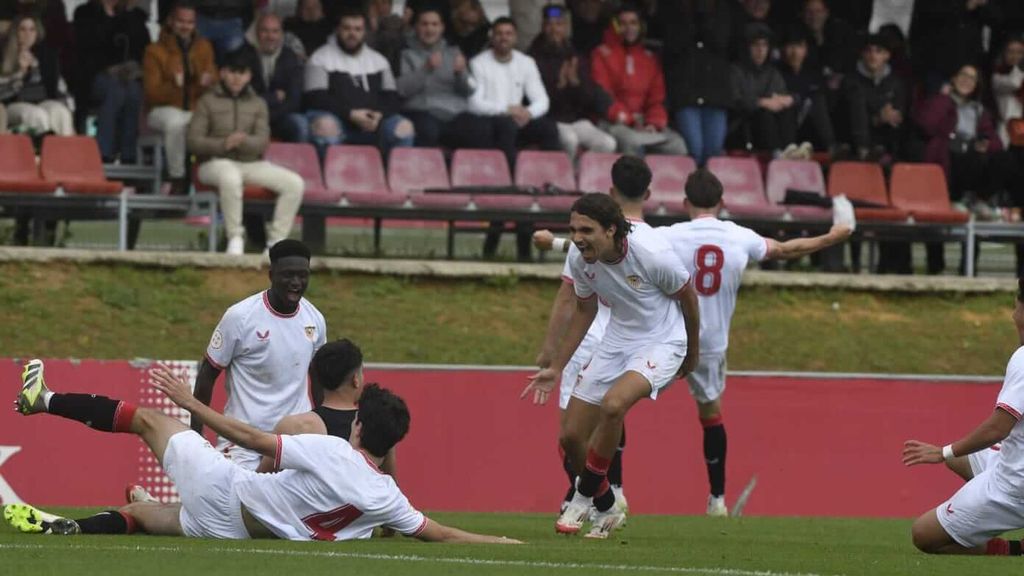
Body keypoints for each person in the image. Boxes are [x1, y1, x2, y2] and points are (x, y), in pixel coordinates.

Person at [4, 359, 519, 544]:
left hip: (227, 492)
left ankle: (42, 398)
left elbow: (251, 439)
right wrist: (498, 541)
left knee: (147, 420)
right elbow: (439, 533)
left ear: (357, 424)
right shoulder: (390, 499)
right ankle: (70, 529)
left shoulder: (333, 451)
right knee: (139, 512)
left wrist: (189, 404)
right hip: (230, 531)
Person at [523, 158, 701, 539]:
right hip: (617, 339)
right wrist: (555, 366)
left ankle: (582, 495)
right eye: (572, 229)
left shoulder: (650, 252)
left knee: (614, 405)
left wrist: (693, 352)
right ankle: (607, 507)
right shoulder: (579, 255)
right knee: (571, 437)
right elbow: (585, 310)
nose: (577, 237)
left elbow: (688, 296)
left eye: (586, 230)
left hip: (663, 339)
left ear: (612, 230)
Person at [659, 168, 852, 515]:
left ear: (684, 202)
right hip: (710, 344)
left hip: (666, 338)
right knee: (710, 414)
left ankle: (612, 490)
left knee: (619, 402)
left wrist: (560, 243)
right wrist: (831, 237)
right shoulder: (738, 236)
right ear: (722, 202)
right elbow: (785, 249)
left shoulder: (668, 236)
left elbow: (623, 245)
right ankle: (717, 499)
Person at [902, 278, 1024, 556]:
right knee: (959, 458)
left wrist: (941, 452)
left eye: (1016, 307)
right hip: (1011, 460)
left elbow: (997, 429)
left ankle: (1013, 548)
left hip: (1016, 484)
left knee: (924, 534)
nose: (1013, 315)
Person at [188, 240, 326, 470]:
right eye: (288, 275)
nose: (296, 283)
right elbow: (206, 376)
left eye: (303, 275)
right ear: (271, 275)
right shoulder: (240, 317)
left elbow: (319, 382)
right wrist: (195, 437)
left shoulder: (315, 319)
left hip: (294, 442)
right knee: (226, 505)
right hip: (243, 441)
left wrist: (324, 430)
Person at [188, 52, 304, 255]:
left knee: (294, 183)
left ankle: (276, 242)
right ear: (223, 73)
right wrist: (223, 144)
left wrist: (242, 141)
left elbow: (262, 141)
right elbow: (193, 142)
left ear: (249, 76)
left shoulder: (258, 103)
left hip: (251, 163)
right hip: (213, 163)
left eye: (241, 73)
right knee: (230, 176)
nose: (236, 78)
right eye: (232, 72)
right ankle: (235, 238)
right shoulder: (207, 101)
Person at [468, 16, 559, 261]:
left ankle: (549, 185)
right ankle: (510, 185)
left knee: (549, 130)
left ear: (515, 37)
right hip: (492, 124)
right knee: (506, 127)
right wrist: (507, 109)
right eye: (499, 33)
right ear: (492, 37)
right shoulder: (478, 63)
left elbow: (542, 100)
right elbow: (475, 103)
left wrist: (527, 113)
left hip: (519, 121)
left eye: (508, 33)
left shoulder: (526, 62)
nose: (503, 38)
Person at [254, 339, 396, 478]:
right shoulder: (376, 423)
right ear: (355, 379)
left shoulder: (293, 427)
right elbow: (390, 486)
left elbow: (259, 483)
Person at [303, 7, 414, 158]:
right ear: (337, 30)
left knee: (404, 127)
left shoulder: (378, 60)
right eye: (347, 28)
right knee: (325, 126)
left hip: (374, 122)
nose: (352, 34)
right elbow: (315, 98)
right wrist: (350, 114)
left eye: (358, 29)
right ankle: (334, 177)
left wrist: (379, 115)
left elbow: (392, 98)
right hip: (338, 120)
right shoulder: (320, 57)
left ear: (365, 32)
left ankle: (392, 179)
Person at [591, 5, 687, 157]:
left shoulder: (650, 58)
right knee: (632, 142)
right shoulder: (601, 54)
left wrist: (653, 122)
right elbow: (602, 95)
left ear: (641, 26)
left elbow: (657, 97)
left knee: (677, 145)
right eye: (623, 23)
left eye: (633, 23)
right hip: (614, 122)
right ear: (615, 26)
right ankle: (634, 181)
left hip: (644, 122)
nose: (629, 28)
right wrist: (628, 119)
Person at [144, 2, 218, 193]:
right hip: (161, 110)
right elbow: (151, 94)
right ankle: (177, 177)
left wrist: (209, 82)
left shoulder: (204, 47)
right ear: (170, 21)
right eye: (180, 21)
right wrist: (174, 86)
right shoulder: (154, 50)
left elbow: (215, 80)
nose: (185, 26)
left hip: (194, 108)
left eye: (190, 22)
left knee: (215, 121)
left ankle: (208, 179)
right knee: (176, 123)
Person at [527, 3, 615, 160]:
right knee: (570, 140)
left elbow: (588, 98)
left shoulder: (576, 56)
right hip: (550, 120)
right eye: (549, 24)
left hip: (576, 119)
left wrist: (576, 84)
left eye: (559, 24)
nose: (554, 29)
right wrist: (558, 85)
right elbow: (534, 101)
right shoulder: (532, 57)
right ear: (542, 26)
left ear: (566, 27)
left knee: (607, 143)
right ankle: (565, 182)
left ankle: (581, 177)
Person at [72, 0, 150, 163]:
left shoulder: (133, 16)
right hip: (93, 76)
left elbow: (144, 48)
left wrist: (134, 67)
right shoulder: (85, 13)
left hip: (128, 77)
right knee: (115, 89)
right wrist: (108, 68)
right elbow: (84, 50)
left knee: (134, 91)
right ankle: (103, 154)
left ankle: (128, 155)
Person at [660, 0, 733, 167]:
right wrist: (690, 17)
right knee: (694, 150)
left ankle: (709, 191)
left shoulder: (723, 10)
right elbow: (673, 48)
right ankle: (691, 190)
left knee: (713, 152)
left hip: (716, 95)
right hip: (687, 95)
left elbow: (723, 42)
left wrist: (704, 16)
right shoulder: (675, 12)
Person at [396, 6, 479, 149]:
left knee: (478, 129)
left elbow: (470, 90)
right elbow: (401, 89)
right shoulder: (406, 54)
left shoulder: (454, 52)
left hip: (454, 113)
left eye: (434, 24)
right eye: (424, 24)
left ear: (442, 28)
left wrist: (461, 74)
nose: (429, 30)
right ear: (416, 27)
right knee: (428, 130)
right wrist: (426, 69)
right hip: (422, 111)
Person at [729, 23, 800, 156]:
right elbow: (735, 101)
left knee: (787, 111)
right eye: (755, 45)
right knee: (764, 114)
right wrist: (762, 102)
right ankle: (777, 153)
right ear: (746, 47)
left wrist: (789, 99)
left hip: (772, 125)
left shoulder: (772, 72)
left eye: (764, 45)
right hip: (743, 126)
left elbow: (781, 95)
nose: (760, 50)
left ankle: (790, 151)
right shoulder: (735, 70)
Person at [238, 13, 307, 143]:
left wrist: (266, 116)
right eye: (265, 31)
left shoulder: (291, 58)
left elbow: (294, 102)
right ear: (257, 33)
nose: (270, 36)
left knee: (300, 125)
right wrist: (274, 97)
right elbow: (242, 97)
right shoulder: (243, 56)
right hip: (248, 117)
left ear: (282, 34)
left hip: (280, 117)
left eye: (275, 31)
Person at [837, 34, 907, 162]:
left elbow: (897, 115)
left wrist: (884, 117)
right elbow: (846, 118)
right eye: (868, 51)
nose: (873, 56)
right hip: (852, 143)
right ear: (862, 54)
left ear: (887, 55)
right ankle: (864, 152)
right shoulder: (850, 80)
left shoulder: (896, 82)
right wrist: (877, 118)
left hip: (885, 143)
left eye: (878, 51)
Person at [0, 15, 73, 136]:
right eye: (22, 29)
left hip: (42, 101)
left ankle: (65, 152)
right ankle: (39, 151)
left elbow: (61, 88)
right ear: (15, 32)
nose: (27, 34)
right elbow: (2, 93)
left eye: (32, 29)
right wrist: (21, 72)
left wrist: (70, 111)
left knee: (61, 112)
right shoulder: (5, 56)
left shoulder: (45, 56)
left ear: (37, 33)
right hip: (13, 105)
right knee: (36, 115)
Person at [777, 26, 834, 153]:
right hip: (783, 127)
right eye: (791, 46)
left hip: (809, 128)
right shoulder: (776, 73)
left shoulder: (814, 74)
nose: (795, 52)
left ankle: (831, 147)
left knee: (817, 100)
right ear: (783, 49)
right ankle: (788, 151)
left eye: (799, 46)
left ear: (806, 50)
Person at [992, 35, 1024, 149]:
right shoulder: (997, 76)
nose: (1015, 56)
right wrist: (1019, 66)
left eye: (1019, 52)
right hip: (1006, 128)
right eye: (1011, 51)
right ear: (1003, 53)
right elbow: (1015, 83)